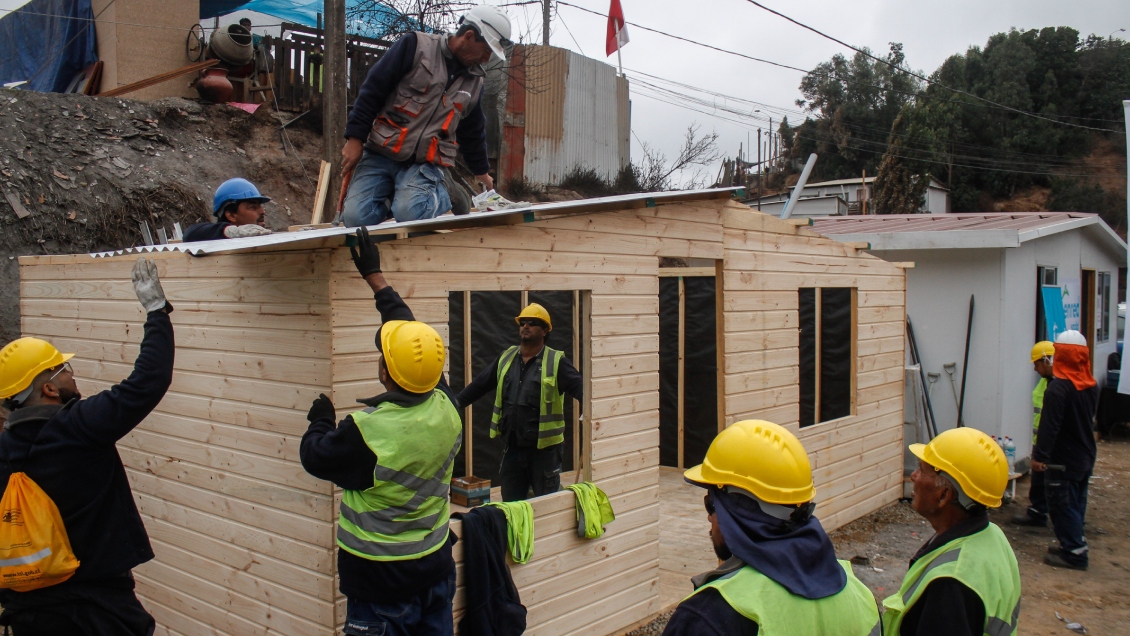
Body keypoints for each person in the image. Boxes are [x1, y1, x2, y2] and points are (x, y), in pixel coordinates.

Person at [300, 227, 463, 635]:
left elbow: (315, 456)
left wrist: (320, 419)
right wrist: (377, 278)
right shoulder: (447, 406)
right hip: (436, 570)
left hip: (383, 585)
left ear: (386, 371)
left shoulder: (368, 433)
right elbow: (411, 338)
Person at [0, 258, 173, 634]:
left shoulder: (6, 447)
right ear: (47, 388)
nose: (72, 374)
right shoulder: (77, 428)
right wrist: (157, 312)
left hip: (29, 614)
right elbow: (147, 381)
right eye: (64, 370)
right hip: (96, 612)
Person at [663, 419, 880, 636]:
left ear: (740, 512)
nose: (710, 518)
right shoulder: (860, 598)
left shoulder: (710, 618)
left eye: (712, 504)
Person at [340, 5, 512, 227]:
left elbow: (473, 131)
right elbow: (372, 91)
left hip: (425, 162)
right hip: (382, 152)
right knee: (356, 219)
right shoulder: (414, 47)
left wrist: (482, 172)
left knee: (410, 214)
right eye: (487, 50)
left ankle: (447, 192)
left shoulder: (475, 83)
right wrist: (355, 139)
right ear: (469, 36)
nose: (487, 59)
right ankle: (401, 198)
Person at [882, 427, 1021, 636]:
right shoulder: (993, 535)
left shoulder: (949, 585)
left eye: (921, 469)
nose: (913, 476)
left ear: (943, 495)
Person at [457, 303, 583, 502]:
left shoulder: (556, 361)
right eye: (522, 322)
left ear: (544, 331)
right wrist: (454, 405)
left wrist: (596, 411)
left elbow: (582, 389)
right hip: (513, 450)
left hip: (544, 453)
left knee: (547, 506)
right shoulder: (507, 358)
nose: (525, 326)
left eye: (532, 323)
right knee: (511, 506)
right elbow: (479, 385)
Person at [1033, 329, 1099, 571]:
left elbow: (1049, 428)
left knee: (1063, 504)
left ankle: (1074, 553)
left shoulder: (1058, 390)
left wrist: (1039, 457)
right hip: (1084, 455)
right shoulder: (1090, 385)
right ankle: (1072, 543)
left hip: (1063, 460)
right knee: (1077, 501)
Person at [1012, 340, 1055, 528]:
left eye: (1037, 364)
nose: (1035, 369)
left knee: (1053, 484)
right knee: (1039, 482)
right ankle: (1038, 512)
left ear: (1047, 360)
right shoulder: (1046, 383)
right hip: (1041, 441)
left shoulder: (1057, 387)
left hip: (1050, 444)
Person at [183, 178, 273, 242]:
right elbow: (190, 234)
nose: (262, 211)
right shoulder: (217, 245)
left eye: (260, 206)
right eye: (253, 207)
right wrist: (230, 231)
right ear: (231, 215)